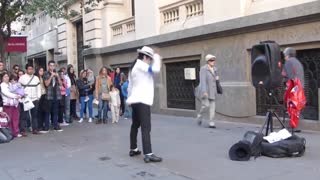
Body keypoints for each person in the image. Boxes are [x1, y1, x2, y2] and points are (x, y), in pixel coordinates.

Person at [127, 46, 162, 163]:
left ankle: (133, 148)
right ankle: (148, 153)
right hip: (142, 101)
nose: (150, 61)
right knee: (146, 127)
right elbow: (155, 69)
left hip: (135, 101)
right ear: (146, 57)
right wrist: (157, 57)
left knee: (135, 125)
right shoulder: (141, 65)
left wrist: (129, 100)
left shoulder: (133, 67)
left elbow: (130, 86)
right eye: (150, 59)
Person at [282, 47, 305, 132]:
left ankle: (293, 127)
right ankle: (296, 126)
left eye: (284, 55)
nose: (284, 57)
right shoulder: (297, 62)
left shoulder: (288, 62)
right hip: (299, 87)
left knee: (292, 107)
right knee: (296, 107)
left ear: (287, 55)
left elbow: (288, 76)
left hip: (294, 88)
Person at [196, 54, 220, 128]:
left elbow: (215, 80)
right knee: (205, 106)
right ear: (207, 61)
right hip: (206, 90)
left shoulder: (215, 69)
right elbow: (202, 80)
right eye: (211, 60)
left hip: (213, 90)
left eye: (214, 60)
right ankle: (200, 115)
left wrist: (217, 79)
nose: (213, 61)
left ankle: (211, 122)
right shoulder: (203, 69)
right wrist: (204, 91)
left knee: (212, 107)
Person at [19, 64, 42, 134]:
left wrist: (38, 97)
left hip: (35, 99)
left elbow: (38, 88)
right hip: (26, 99)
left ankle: (35, 129)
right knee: (24, 115)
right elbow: (19, 89)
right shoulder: (22, 78)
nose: (30, 70)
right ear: (26, 70)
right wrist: (21, 97)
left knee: (34, 115)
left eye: (31, 69)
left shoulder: (36, 78)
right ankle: (23, 130)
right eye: (29, 69)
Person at [43, 60, 63, 132]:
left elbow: (61, 84)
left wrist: (57, 77)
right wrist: (51, 76)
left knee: (55, 112)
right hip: (49, 95)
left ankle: (55, 125)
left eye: (53, 65)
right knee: (47, 112)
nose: (52, 67)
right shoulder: (45, 73)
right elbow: (46, 84)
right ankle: (46, 126)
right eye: (50, 65)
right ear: (48, 66)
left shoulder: (57, 73)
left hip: (56, 95)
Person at [1, 73, 22, 137]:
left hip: (14, 103)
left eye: (7, 76)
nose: (6, 78)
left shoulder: (10, 84)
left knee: (15, 118)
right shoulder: (2, 85)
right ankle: (9, 133)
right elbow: (7, 93)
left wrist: (20, 94)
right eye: (5, 77)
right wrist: (16, 96)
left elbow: (17, 90)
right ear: (2, 78)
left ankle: (15, 132)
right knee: (8, 119)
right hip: (7, 104)